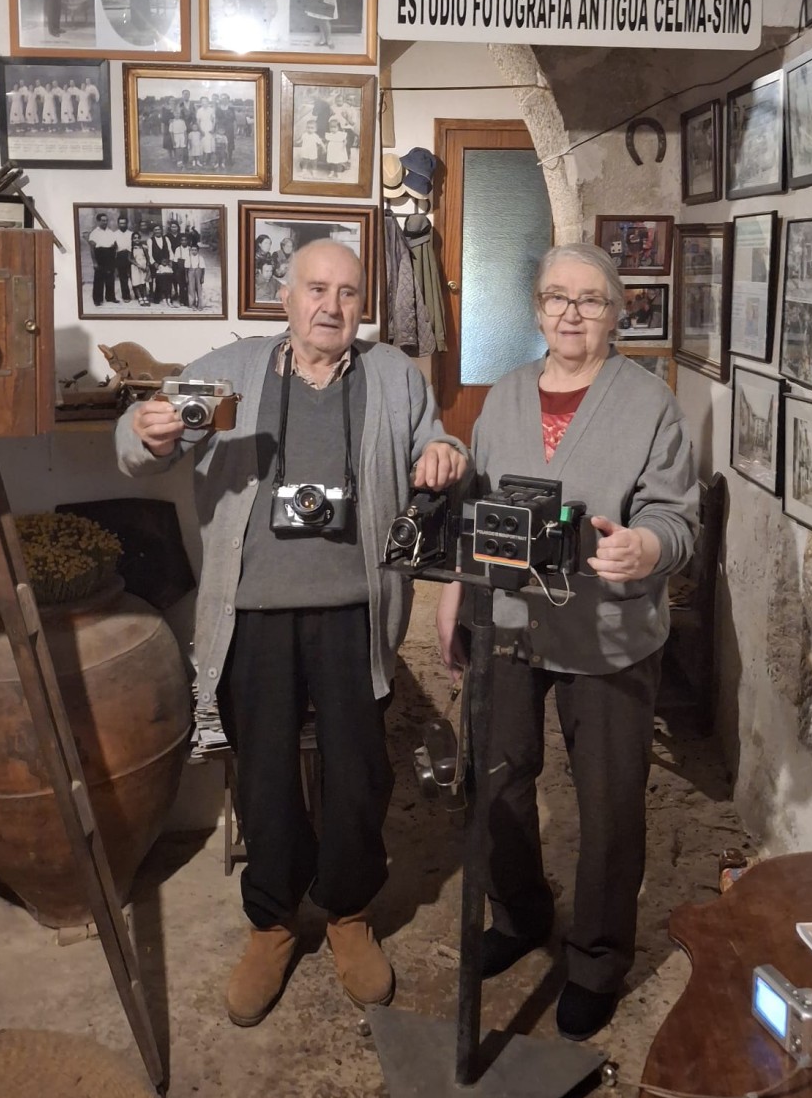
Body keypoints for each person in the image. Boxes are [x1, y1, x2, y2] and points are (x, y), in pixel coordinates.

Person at [115, 240, 469, 1027]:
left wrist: (446, 449)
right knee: (264, 772)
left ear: (361, 305)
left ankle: (346, 910)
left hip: (356, 612)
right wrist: (151, 429)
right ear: (285, 295)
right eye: (316, 288)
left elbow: (433, 445)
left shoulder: (391, 375)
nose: (331, 305)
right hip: (254, 614)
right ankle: (273, 921)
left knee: (359, 773)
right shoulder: (232, 368)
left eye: (347, 291)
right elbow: (133, 448)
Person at [435, 243, 697, 1042]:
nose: (572, 314)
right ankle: (520, 914)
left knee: (611, 803)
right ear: (538, 309)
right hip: (508, 623)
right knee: (498, 777)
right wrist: (455, 590)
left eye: (591, 300)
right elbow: (479, 510)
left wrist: (647, 548)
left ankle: (595, 959)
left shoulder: (650, 402)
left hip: (609, 630)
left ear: (617, 313)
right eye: (557, 297)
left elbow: (676, 517)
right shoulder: (505, 395)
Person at [87, 211, 120, 306]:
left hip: (110, 255)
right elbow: (92, 249)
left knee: (110, 277)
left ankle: (110, 297)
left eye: (106, 220)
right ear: (98, 221)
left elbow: (114, 245)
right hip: (100, 255)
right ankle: (97, 299)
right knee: (99, 278)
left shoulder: (110, 232)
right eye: (103, 221)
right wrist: (94, 262)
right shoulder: (94, 233)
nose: (105, 222)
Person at [114, 213, 134, 303]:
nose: (122, 225)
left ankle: (138, 294)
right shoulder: (114, 234)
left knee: (134, 276)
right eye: (121, 223)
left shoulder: (131, 234)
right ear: (118, 224)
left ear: (127, 223)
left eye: (124, 223)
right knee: (123, 277)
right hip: (120, 256)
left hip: (131, 255)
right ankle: (126, 296)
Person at [130, 230, 151, 306]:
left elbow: (147, 257)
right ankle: (139, 297)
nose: (136, 239)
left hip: (144, 266)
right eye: (135, 238)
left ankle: (145, 296)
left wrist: (147, 266)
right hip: (136, 267)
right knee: (137, 283)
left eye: (138, 238)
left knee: (143, 282)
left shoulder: (143, 247)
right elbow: (130, 258)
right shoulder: (131, 248)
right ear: (132, 239)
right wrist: (138, 265)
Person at [186, 244, 206, 310]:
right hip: (190, 273)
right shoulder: (188, 258)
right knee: (191, 289)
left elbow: (203, 269)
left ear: (198, 251)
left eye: (195, 250)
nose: (194, 251)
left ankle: (200, 305)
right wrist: (186, 277)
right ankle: (192, 304)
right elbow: (186, 269)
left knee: (199, 289)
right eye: (192, 250)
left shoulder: (201, 258)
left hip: (198, 273)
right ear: (191, 250)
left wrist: (202, 277)